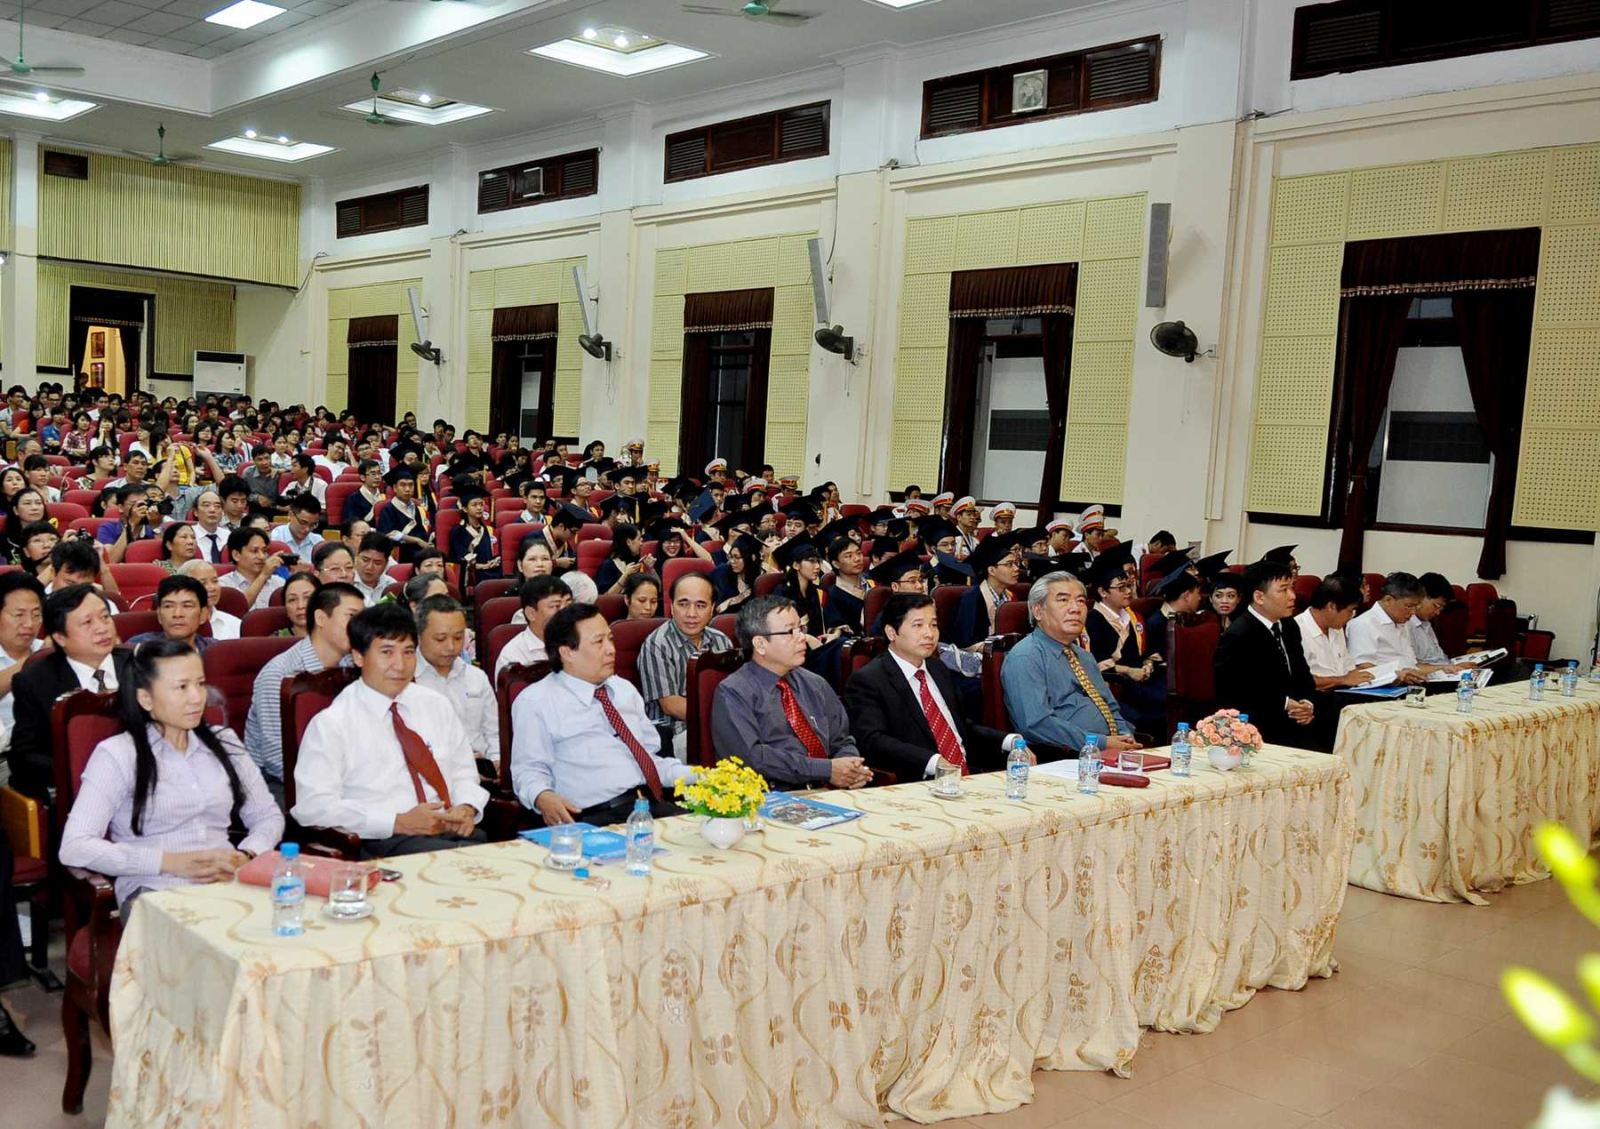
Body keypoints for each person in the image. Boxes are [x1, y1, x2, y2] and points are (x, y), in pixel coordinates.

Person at [58, 640, 283, 912]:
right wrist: (169, 862)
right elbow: (75, 846)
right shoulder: (118, 754)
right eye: (182, 687)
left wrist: (246, 854)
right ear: (146, 699)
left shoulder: (224, 742)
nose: (197, 697)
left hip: (228, 882)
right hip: (154, 889)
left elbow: (267, 815)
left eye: (200, 684)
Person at [292, 603, 488, 857]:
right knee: (469, 861)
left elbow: (463, 771)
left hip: (448, 831)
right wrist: (396, 822)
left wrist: (466, 806)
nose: (400, 664)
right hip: (381, 840)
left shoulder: (435, 704)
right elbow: (313, 806)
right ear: (359, 656)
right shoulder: (332, 723)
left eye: (408, 652)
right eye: (387, 652)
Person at [510, 603, 694, 826]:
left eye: (611, 639)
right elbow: (528, 772)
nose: (611, 649)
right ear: (567, 652)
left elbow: (649, 760)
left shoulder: (623, 690)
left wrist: (705, 776)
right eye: (599, 642)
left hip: (649, 807)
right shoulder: (536, 701)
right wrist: (543, 797)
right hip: (595, 818)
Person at [846, 592, 1029, 780]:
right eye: (918, 625)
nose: (929, 634)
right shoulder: (869, 680)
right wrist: (932, 762)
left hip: (968, 776)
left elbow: (961, 728)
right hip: (918, 781)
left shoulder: (938, 669)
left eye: (933, 625)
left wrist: (1009, 741)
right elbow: (873, 741)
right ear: (891, 632)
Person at [710, 595, 870, 789]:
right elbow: (752, 759)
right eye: (790, 632)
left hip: (830, 790)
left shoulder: (815, 683)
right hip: (773, 795)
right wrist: (825, 770)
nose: (802, 637)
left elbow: (842, 740)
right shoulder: (734, 692)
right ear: (760, 644)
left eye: (800, 629)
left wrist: (850, 769)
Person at [7, 585, 134, 799]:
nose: (102, 628)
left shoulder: (141, 665)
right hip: (80, 790)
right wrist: (80, 772)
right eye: (87, 622)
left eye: (105, 617)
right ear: (60, 637)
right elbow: (23, 756)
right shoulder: (34, 682)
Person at [243, 581, 363, 804]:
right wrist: (340, 788)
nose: (360, 627)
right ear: (321, 619)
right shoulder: (279, 674)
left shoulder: (354, 665)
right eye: (352, 617)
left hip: (341, 776)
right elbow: (277, 758)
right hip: (279, 783)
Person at [1000, 572, 1141, 755]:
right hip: (1068, 756)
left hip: (1113, 750)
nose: (1075, 608)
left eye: (1080, 601)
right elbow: (1037, 724)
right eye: (1063, 600)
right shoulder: (1026, 657)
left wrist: (1126, 736)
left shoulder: (1084, 656)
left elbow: (1110, 707)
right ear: (1038, 611)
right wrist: (1101, 743)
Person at [1213, 560, 1324, 750]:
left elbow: (1302, 673)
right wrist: (1286, 704)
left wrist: (1307, 704)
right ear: (1259, 597)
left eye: (1292, 588)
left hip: (1296, 720)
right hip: (1258, 726)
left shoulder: (1289, 625)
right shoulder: (1238, 635)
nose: (1292, 596)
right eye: (1283, 590)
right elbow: (1237, 692)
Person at [637, 573, 733, 760]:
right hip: (674, 734)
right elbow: (670, 706)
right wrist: (723, 719)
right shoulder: (657, 644)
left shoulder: (722, 641)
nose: (691, 614)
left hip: (717, 725)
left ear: (712, 609)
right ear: (671, 607)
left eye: (700, 605)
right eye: (683, 604)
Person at [1082, 545, 1164, 734]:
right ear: (1103, 592)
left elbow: (1147, 651)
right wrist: (1130, 671)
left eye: (1129, 586)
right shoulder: (1093, 620)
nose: (1128, 591)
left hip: (1141, 680)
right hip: (1117, 686)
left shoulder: (1132, 617)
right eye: (1121, 588)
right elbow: (1098, 663)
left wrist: (1148, 665)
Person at [413, 596, 497, 765]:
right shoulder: (406, 681)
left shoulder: (476, 677)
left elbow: (494, 733)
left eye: (458, 638)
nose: (451, 647)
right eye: (440, 639)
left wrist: (497, 760)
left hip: (482, 770)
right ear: (419, 636)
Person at [1345, 572, 1460, 684]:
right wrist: (1396, 675)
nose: (1413, 612)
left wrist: (1442, 668)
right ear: (1388, 600)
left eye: (1416, 606)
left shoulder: (1403, 623)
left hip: (1408, 683)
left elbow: (1412, 666)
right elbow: (1362, 668)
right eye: (1409, 606)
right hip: (1383, 688)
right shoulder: (1363, 624)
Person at [1293, 574, 1376, 690]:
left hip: (1344, 692)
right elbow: (1299, 681)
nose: (1352, 616)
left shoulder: (1336, 627)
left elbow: (1348, 669)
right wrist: (1342, 680)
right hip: (1316, 696)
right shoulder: (1295, 630)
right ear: (1331, 606)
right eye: (1350, 611)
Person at [948, 532, 1023, 649]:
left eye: (1016, 563)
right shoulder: (970, 600)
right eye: (1009, 564)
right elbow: (965, 643)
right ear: (992, 570)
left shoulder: (1012, 597)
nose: (1016, 569)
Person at [0, 572, 46, 759]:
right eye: (19, 615)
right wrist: (32, 661)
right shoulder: (44, 655)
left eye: (36, 615)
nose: (29, 624)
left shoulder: (48, 650)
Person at [496, 575, 571, 677]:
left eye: (569, 605)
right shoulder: (513, 656)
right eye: (555, 606)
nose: (566, 612)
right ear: (531, 614)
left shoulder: (582, 641)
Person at [129, 574, 215, 653]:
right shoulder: (138, 649)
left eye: (187, 606)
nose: (177, 614)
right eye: (168, 606)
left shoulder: (215, 651)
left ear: (203, 614)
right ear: (159, 615)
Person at [375, 466, 433, 565]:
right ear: (395, 488)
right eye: (403, 485)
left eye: (411, 485)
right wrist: (417, 540)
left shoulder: (417, 508)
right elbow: (389, 535)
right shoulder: (388, 509)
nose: (407, 489)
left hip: (422, 549)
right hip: (401, 552)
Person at [220, 527, 287, 611]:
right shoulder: (223, 585)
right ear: (236, 555)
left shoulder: (279, 583)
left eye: (264, 551)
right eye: (254, 551)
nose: (262, 556)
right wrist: (264, 575)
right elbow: (238, 610)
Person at [178, 560, 240, 640]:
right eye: (203, 583)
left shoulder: (234, 623)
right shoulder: (176, 624)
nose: (212, 588)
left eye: (215, 581)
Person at [447, 486, 500, 578]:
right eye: (474, 505)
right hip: (472, 573)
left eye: (481, 504)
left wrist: (494, 561)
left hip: (491, 570)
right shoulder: (458, 531)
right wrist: (483, 566)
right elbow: (459, 559)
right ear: (465, 509)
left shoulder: (487, 529)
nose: (479, 508)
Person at [823, 536, 869, 635]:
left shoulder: (873, 584)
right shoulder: (831, 596)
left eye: (859, 553)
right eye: (848, 556)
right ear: (836, 564)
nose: (857, 559)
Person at [269, 494, 324, 565]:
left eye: (313, 525)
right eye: (303, 522)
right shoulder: (275, 538)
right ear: (290, 515)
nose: (307, 529)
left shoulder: (318, 542)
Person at [353, 533, 398, 605]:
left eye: (377, 563)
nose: (369, 567)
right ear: (357, 557)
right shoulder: (347, 584)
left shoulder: (391, 585)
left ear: (386, 564)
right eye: (365, 560)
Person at [342, 460, 387, 525]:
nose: (377, 477)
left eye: (379, 473)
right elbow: (352, 524)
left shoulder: (385, 496)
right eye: (373, 474)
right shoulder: (353, 499)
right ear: (362, 477)